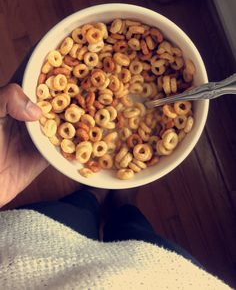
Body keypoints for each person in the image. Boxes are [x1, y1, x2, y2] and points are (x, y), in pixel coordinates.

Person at [0, 82, 230, 289]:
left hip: (24, 255)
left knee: (69, 214)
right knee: (136, 232)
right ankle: (121, 203)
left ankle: (93, 196)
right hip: (161, 275)